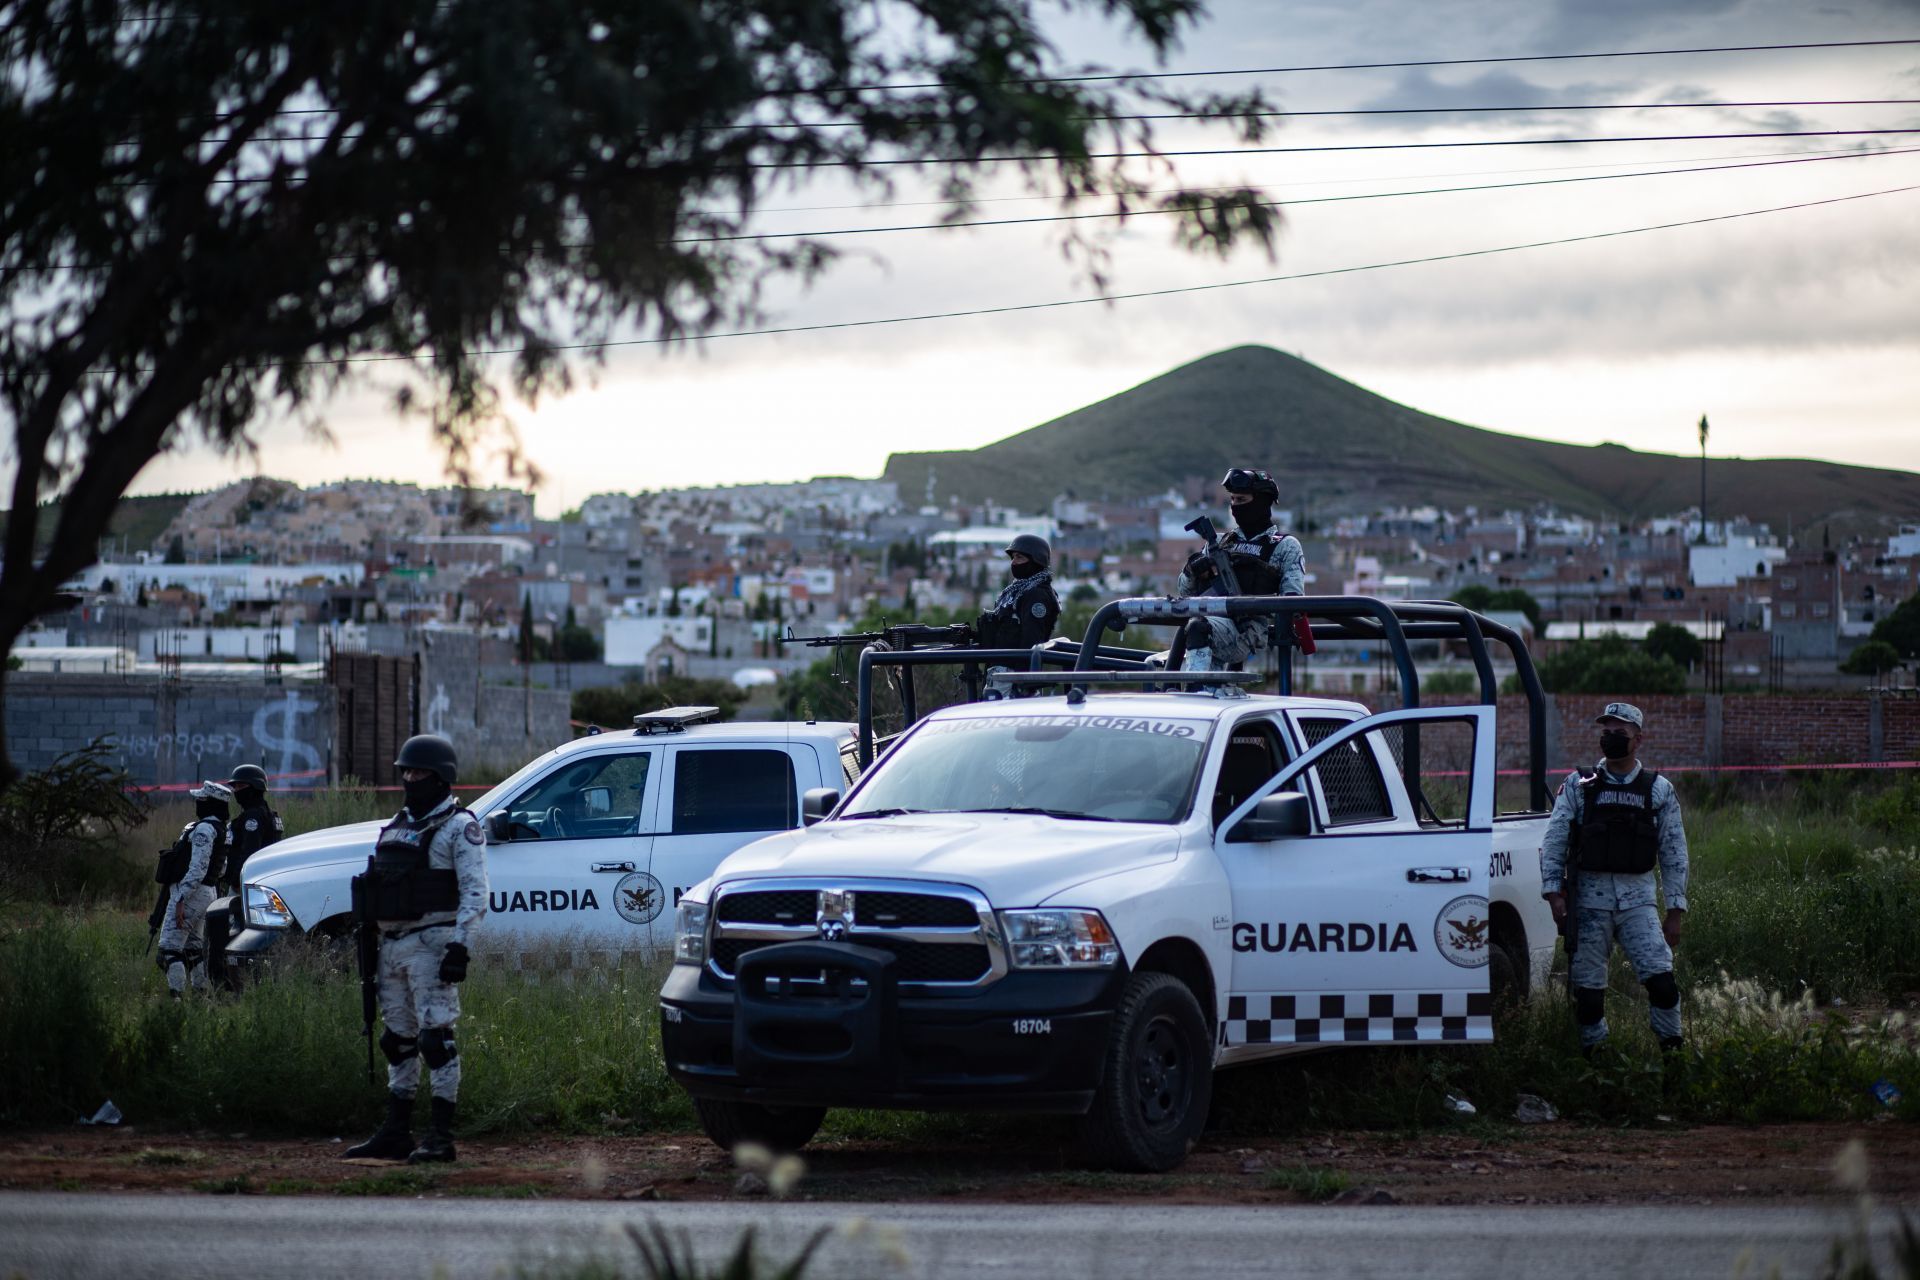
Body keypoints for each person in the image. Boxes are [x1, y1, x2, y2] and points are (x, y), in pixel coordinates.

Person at [345, 734, 489, 1164]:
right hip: (390, 946)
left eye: (420, 772)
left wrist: (460, 947)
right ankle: (396, 1132)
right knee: (398, 1041)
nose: (410, 778)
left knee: (435, 1041)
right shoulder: (399, 825)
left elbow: (476, 893)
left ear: (442, 778)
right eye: (406, 771)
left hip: (432, 945)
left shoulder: (459, 827)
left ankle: (440, 1138)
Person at [1539, 702, 1690, 1055]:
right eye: (1605, 732)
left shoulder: (1658, 789)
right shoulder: (1579, 785)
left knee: (1663, 984)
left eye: (1618, 733)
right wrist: (1552, 892)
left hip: (1639, 904)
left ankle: (1673, 1056)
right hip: (1589, 905)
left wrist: (1675, 910)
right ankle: (1598, 1063)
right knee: (1588, 996)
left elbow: (1673, 851)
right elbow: (1555, 838)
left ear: (1638, 739)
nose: (1610, 738)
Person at [1175, 467, 1306, 671]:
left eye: (1242, 500)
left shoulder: (1284, 546)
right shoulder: (1219, 542)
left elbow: (1293, 599)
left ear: (1262, 502)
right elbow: (1184, 593)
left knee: (1197, 628)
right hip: (1211, 620)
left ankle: (1195, 685)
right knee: (1195, 630)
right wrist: (1192, 570)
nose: (1236, 506)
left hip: (1248, 629)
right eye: (1233, 500)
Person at [155, 781, 230, 998]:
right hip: (208, 893)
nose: (197, 803)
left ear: (210, 803)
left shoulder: (204, 829)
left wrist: (180, 898)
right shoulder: (223, 831)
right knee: (193, 950)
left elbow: (198, 868)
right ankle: (201, 998)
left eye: (202, 800)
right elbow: (221, 868)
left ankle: (176, 1000)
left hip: (192, 894)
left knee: (169, 950)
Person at [975, 533, 1060, 649]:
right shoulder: (1016, 591)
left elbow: (1030, 644)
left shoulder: (1036, 595)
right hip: (998, 662)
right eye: (1013, 557)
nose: (1013, 562)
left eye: (1019, 557)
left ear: (1035, 561)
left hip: (1013, 665)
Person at [221, 763, 284, 896]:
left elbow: (250, 850)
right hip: (265, 881)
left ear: (256, 787)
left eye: (241, 786)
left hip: (247, 883)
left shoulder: (253, 816)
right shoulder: (270, 815)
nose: (236, 791)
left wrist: (237, 881)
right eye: (235, 787)